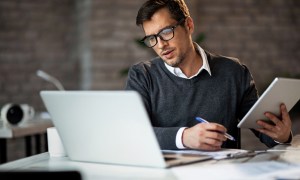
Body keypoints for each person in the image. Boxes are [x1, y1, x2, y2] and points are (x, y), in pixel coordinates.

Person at [125, 0, 292, 150]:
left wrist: (281, 136)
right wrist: (184, 137)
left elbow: (266, 132)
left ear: (189, 25)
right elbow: (132, 133)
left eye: (166, 32)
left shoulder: (234, 72)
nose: (161, 45)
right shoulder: (142, 75)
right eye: (151, 38)